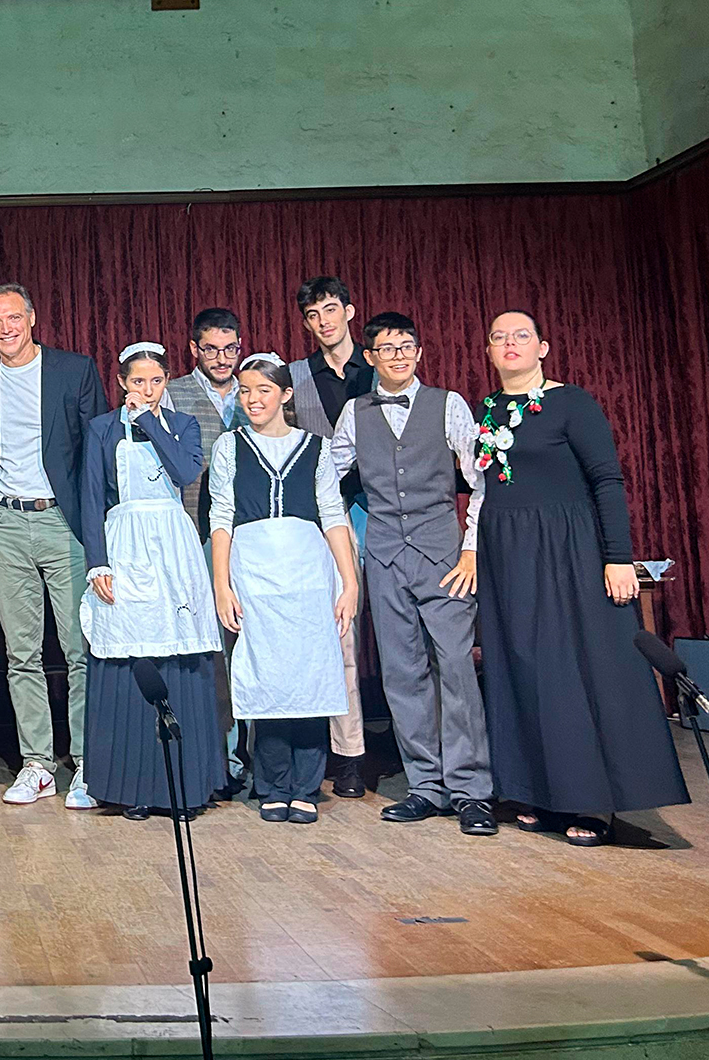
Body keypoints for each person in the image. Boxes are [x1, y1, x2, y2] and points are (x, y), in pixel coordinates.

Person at [474, 309, 687, 846]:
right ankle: (538, 791)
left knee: (575, 671)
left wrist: (618, 557)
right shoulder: (490, 407)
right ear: (489, 352)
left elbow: (607, 481)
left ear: (543, 347)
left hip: (565, 553)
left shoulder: (573, 402)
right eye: (499, 337)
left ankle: (592, 802)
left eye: (521, 336)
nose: (510, 344)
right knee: (523, 668)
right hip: (508, 556)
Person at [330, 313, 497, 836]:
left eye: (406, 346)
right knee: (403, 673)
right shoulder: (355, 413)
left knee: (456, 667)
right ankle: (426, 785)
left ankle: (472, 790)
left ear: (419, 353)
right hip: (382, 557)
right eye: (386, 348)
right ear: (372, 357)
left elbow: (482, 480)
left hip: (443, 558)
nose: (398, 355)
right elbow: (324, 479)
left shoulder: (449, 405)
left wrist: (470, 551)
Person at [0, 283, 105, 809]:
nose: (6, 328)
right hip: (5, 523)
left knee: (78, 649)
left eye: (13, 317)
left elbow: (96, 451)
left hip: (61, 523)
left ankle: (88, 764)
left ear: (32, 318)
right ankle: (37, 764)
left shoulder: (74, 369)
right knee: (20, 653)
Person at [78, 343, 225, 821]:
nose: (147, 390)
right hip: (125, 545)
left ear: (166, 382)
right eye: (138, 381)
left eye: (156, 381)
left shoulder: (181, 425)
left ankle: (185, 789)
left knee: (179, 658)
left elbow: (185, 472)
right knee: (131, 659)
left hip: (173, 545)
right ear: (122, 382)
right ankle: (135, 785)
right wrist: (97, 562)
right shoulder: (101, 429)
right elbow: (91, 497)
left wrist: (152, 425)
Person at [210, 354, 357, 824]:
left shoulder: (314, 446)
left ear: (285, 396)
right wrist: (222, 583)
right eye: (246, 390)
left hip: (307, 573)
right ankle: (271, 782)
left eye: (264, 390)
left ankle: (306, 786)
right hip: (254, 572)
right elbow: (222, 517)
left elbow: (333, 515)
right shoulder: (230, 447)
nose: (253, 399)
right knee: (266, 676)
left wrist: (349, 582)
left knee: (309, 675)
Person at [285, 276, 373, 799]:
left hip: (384, 513)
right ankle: (345, 756)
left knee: (398, 639)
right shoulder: (295, 376)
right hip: (324, 518)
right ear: (306, 322)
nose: (325, 321)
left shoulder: (382, 361)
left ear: (350, 311)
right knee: (338, 637)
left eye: (332, 309)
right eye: (314, 314)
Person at [161, 308, 251, 795]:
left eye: (230, 348)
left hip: (248, 537)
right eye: (212, 348)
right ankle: (210, 756)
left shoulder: (255, 388)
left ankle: (245, 754)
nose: (222, 358)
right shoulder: (173, 392)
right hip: (192, 537)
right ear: (194, 348)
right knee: (206, 649)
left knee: (247, 647)